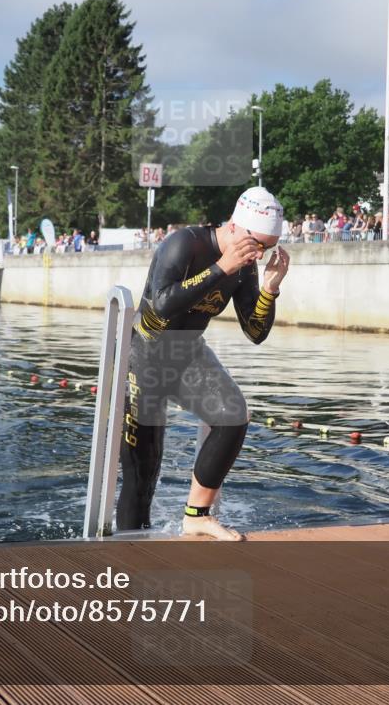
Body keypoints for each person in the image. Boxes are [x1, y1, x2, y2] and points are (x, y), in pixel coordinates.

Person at [117, 186, 290, 541]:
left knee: (233, 414)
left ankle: (196, 516)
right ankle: (129, 554)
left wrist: (270, 290)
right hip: (145, 355)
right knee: (142, 474)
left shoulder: (244, 267)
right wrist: (219, 268)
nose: (259, 254)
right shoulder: (185, 244)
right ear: (234, 226)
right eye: (257, 243)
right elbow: (162, 304)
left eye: (268, 248)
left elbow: (255, 332)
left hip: (187, 353)